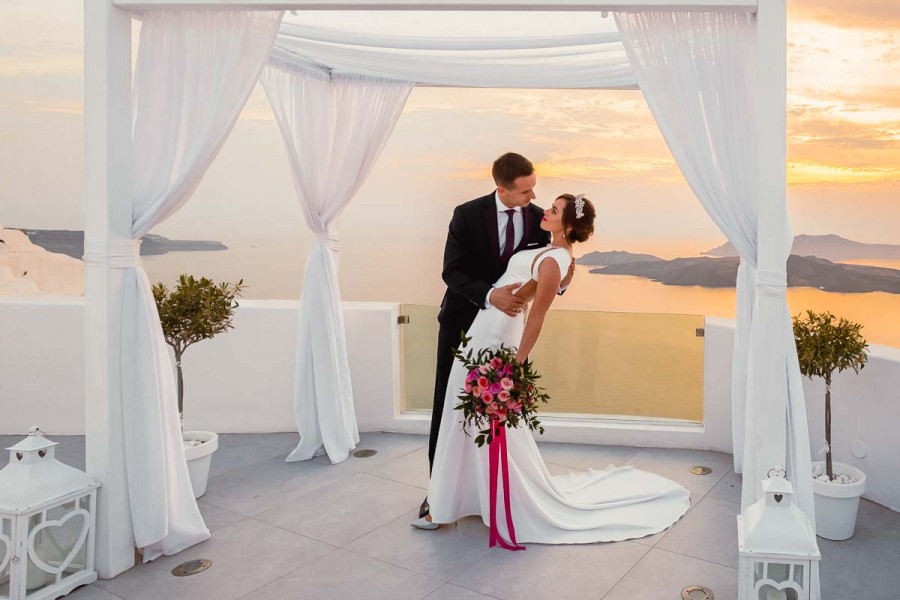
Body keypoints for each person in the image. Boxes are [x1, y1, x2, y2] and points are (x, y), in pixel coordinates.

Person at [413, 193, 691, 544]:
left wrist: (515, 364)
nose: (545, 210)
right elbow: (526, 294)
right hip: (485, 328)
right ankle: (468, 497)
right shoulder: (553, 252)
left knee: (471, 417)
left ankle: (448, 506)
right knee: (467, 417)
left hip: (496, 338)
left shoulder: (555, 259)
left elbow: (538, 316)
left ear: (568, 224)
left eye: (555, 210)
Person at [420, 152, 573, 520]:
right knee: (448, 405)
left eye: (534, 188)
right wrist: (490, 295)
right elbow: (451, 272)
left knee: (500, 411)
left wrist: (562, 279)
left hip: (505, 332)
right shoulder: (466, 214)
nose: (533, 198)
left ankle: (495, 489)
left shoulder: (539, 220)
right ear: (502, 189)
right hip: (462, 323)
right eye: (525, 191)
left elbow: (548, 269)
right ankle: (437, 491)